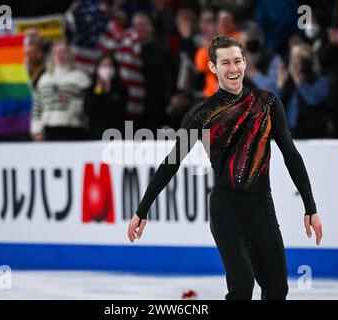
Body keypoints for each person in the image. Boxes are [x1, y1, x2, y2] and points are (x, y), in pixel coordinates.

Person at [127, 35, 323, 300]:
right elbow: (173, 161)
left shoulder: (267, 104)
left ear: (244, 62)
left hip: (261, 207)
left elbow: (291, 154)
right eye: (225, 63)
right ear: (212, 67)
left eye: (237, 61)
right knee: (242, 287)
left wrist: (310, 207)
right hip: (226, 208)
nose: (233, 69)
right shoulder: (202, 113)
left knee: (278, 289)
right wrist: (142, 209)